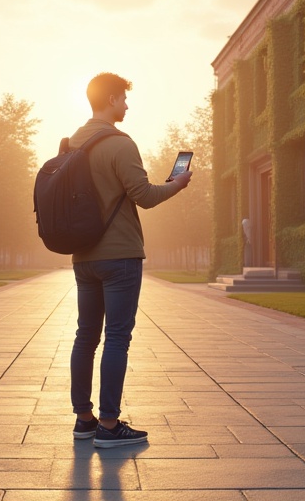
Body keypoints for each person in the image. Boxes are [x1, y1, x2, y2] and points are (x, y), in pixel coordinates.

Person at [69, 72, 193, 448]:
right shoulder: (121, 144)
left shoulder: (73, 141)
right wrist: (178, 183)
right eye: (123, 99)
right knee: (117, 338)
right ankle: (109, 425)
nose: (126, 105)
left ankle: (84, 420)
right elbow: (145, 196)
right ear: (109, 99)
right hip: (119, 255)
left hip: (83, 256)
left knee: (85, 336)